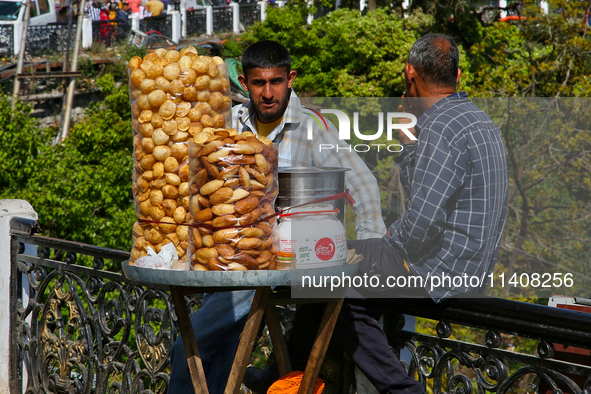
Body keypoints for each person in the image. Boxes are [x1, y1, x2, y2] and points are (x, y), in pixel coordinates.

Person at [246, 33, 510, 394]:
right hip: (472, 268)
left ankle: (398, 389)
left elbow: (424, 222)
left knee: (326, 274)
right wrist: (409, 148)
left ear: (410, 73)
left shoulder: (441, 126)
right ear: (457, 76)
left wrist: (391, 241)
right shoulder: (478, 121)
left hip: (437, 271)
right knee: (325, 270)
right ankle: (286, 373)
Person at [166, 40, 388, 394]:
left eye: (276, 82)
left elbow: (362, 183)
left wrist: (370, 247)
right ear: (244, 81)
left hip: (279, 268)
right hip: (230, 261)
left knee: (188, 350)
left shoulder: (313, 127)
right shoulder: (232, 123)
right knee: (220, 350)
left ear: (290, 79)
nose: (268, 93)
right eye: (258, 83)